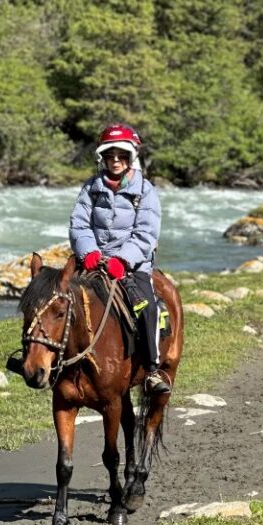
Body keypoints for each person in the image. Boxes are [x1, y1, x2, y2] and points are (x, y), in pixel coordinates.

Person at [69, 123, 171, 395]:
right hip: (92, 260)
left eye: (122, 155)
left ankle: (151, 370)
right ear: (103, 158)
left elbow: (147, 233)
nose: (115, 161)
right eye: (110, 155)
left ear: (131, 157)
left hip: (131, 266)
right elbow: (79, 224)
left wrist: (123, 260)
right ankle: (51, 362)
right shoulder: (91, 187)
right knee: (55, 298)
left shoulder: (145, 191)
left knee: (147, 308)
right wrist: (88, 252)